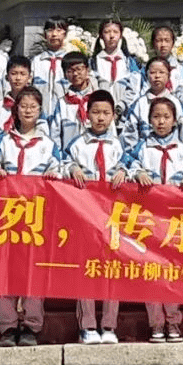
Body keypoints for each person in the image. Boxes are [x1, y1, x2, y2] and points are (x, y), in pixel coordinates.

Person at [0, 86, 63, 346]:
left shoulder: (47, 144)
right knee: (5, 271)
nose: (28, 110)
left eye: (34, 106)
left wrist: (55, 176)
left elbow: (60, 169)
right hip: (7, 215)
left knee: (34, 271)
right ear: (16, 110)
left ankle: (32, 324)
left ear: (41, 110)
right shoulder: (4, 141)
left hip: (35, 215)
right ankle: (7, 325)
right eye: (23, 106)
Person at [127, 96, 183, 343]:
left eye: (166, 117)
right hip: (149, 220)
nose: (161, 121)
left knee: (174, 272)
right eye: (156, 117)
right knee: (152, 270)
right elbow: (128, 166)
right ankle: (156, 322)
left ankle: (174, 322)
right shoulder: (142, 148)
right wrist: (139, 172)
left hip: (175, 220)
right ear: (149, 121)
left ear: (175, 121)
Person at [65, 89, 127, 344]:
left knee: (112, 268)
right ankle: (88, 325)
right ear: (86, 114)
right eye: (96, 113)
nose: (100, 118)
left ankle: (109, 325)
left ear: (113, 116)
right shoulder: (77, 145)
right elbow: (62, 163)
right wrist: (72, 168)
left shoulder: (120, 145)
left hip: (112, 214)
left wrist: (124, 170)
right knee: (87, 268)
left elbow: (132, 166)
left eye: (106, 113)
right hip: (86, 214)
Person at [121, 56, 183, 148]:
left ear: (169, 76)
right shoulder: (139, 104)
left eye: (161, 72)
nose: (157, 76)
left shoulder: (177, 103)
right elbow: (130, 135)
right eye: (152, 72)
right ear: (146, 75)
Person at [0, 55, 47, 147]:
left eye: (22, 74)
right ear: (7, 77)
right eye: (14, 73)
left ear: (29, 77)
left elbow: (43, 134)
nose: (18, 78)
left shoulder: (35, 106)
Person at [92, 18, 141, 112]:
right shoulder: (93, 62)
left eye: (115, 32)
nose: (111, 36)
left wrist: (120, 108)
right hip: (100, 112)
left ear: (121, 35)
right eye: (107, 32)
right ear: (101, 35)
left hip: (125, 113)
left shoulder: (129, 62)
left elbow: (134, 88)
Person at [53, 50, 99, 151]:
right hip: (69, 159)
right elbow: (55, 134)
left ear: (87, 70)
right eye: (70, 70)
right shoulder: (63, 103)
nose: (75, 74)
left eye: (79, 69)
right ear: (65, 75)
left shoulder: (98, 100)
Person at [149, 24, 183, 113]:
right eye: (159, 41)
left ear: (173, 43)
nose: (163, 45)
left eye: (167, 40)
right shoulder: (146, 70)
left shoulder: (182, 70)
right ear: (153, 44)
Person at [31, 17, 70, 101]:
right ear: (45, 35)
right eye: (50, 30)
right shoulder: (36, 61)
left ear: (65, 34)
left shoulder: (70, 60)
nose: (54, 34)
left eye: (59, 30)